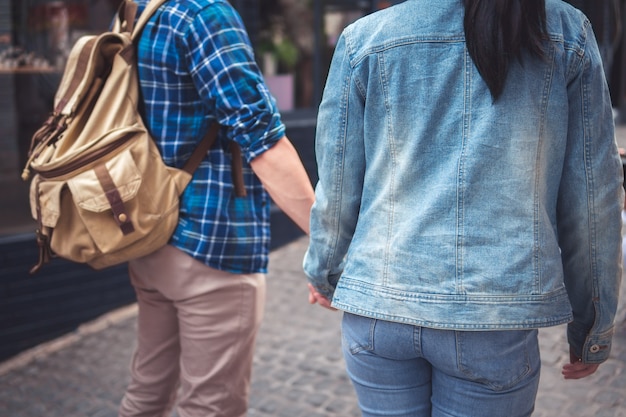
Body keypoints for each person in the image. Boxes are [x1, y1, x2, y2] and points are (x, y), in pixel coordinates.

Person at [303, 0, 623, 416]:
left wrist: (324, 272)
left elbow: (338, 179)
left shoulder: (367, 38)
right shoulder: (563, 31)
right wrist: (593, 324)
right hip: (492, 318)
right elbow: (592, 198)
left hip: (381, 312)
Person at [117, 1, 315, 416]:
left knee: (146, 394)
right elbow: (263, 139)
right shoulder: (205, 13)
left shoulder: (138, 9)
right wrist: (328, 242)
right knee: (211, 407)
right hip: (210, 244)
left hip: (150, 232)